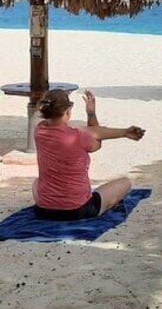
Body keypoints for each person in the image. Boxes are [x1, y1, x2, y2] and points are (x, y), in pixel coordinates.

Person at [32, 89, 145, 221]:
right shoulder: (78, 136)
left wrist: (124, 132)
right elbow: (97, 142)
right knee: (126, 182)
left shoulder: (39, 130)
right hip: (78, 210)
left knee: (36, 182)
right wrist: (91, 114)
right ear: (67, 111)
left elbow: (85, 131)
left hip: (43, 211)